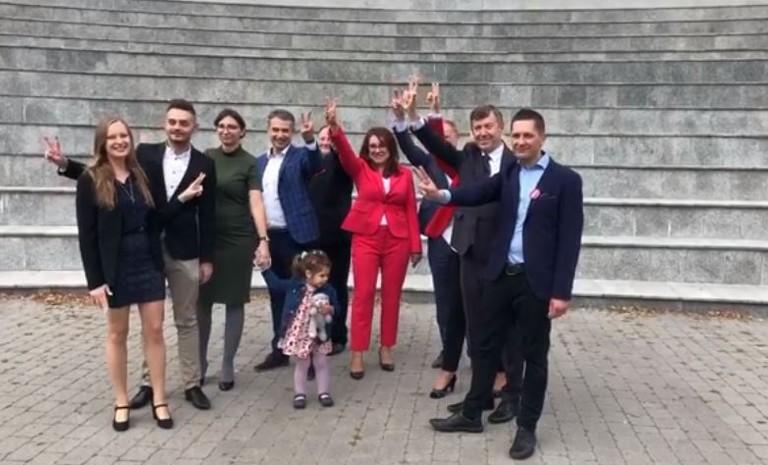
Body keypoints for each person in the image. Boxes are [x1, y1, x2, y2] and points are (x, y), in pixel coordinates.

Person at [418, 109, 584, 461]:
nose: (521, 141)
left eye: (528, 136)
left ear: (542, 137)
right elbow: (478, 192)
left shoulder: (565, 181)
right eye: (517, 135)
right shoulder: (509, 172)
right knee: (484, 344)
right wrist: (442, 195)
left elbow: (570, 240)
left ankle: (527, 426)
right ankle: (473, 412)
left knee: (533, 356)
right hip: (499, 274)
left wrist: (561, 292)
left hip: (535, 282)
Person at [46, 100, 215, 411]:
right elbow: (106, 174)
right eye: (172, 121)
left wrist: (206, 257)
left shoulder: (205, 163)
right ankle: (149, 385)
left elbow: (208, 214)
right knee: (150, 325)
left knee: (185, 319)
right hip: (143, 250)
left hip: (183, 249)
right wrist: (65, 164)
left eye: (184, 122)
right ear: (164, 123)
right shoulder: (146, 155)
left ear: (195, 126)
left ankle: (192, 383)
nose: (177, 127)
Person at [406, 97, 523, 422]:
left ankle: (511, 391)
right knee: (477, 326)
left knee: (508, 328)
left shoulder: (516, 161)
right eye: (477, 128)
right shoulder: (469, 156)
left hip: (505, 255)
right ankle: (480, 395)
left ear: (501, 127)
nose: (483, 133)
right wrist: (415, 117)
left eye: (488, 126)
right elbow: (437, 147)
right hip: (470, 251)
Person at [65, 117, 175, 430]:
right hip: (115, 265)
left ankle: (159, 399)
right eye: (112, 137)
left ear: (131, 138)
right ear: (103, 143)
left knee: (155, 330)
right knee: (118, 333)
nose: (119, 141)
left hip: (148, 260)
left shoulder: (144, 173)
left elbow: (158, 216)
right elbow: (87, 235)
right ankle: (121, 401)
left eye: (123, 135)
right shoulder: (91, 179)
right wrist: (95, 281)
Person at [324, 98, 422, 379]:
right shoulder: (361, 169)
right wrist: (334, 127)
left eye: (381, 146)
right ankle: (358, 351)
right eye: (372, 146)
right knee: (363, 294)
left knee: (392, 295)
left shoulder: (404, 174)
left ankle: (386, 347)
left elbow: (410, 209)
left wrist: (416, 245)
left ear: (391, 148)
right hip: (366, 238)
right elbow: (344, 152)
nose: (377, 150)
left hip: (397, 240)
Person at [390, 81, 464, 398]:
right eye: (439, 137)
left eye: (448, 136)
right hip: (439, 237)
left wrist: (433, 112)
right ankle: (449, 350)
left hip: (469, 239)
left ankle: (477, 349)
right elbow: (409, 147)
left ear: (456, 139)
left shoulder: (469, 163)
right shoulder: (430, 162)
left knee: (473, 298)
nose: (443, 140)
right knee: (445, 298)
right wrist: (400, 120)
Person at [198, 109, 271, 391]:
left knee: (234, 300)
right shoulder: (207, 157)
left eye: (232, 127)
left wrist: (262, 239)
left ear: (242, 132)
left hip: (238, 239)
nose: (226, 131)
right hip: (208, 237)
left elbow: (256, 201)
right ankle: (200, 362)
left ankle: (227, 363)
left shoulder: (249, 162)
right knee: (202, 300)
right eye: (221, 126)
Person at [254, 109, 322, 372]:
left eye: (285, 130)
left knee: (305, 297)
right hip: (270, 238)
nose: (280, 135)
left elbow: (315, 166)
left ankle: (309, 354)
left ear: (292, 132)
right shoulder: (259, 162)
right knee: (277, 296)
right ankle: (280, 349)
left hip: (298, 237)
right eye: (276, 130)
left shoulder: (301, 156)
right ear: (268, 130)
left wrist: (310, 140)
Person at [262, 251, 338, 409]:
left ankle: (324, 392)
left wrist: (331, 309)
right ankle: (300, 394)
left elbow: (337, 306)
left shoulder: (328, 290)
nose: (325, 279)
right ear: (309, 274)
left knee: (321, 363)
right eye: (322, 275)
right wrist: (265, 269)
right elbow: (276, 285)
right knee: (302, 364)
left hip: (320, 334)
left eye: (327, 275)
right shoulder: (294, 286)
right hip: (301, 334)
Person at [308, 125, 353, 356]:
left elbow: (342, 154)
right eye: (322, 138)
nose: (325, 142)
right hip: (311, 235)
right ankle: (314, 333)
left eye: (330, 138)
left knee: (336, 287)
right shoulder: (310, 163)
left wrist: (337, 135)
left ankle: (337, 335)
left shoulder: (342, 163)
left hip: (337, 237)